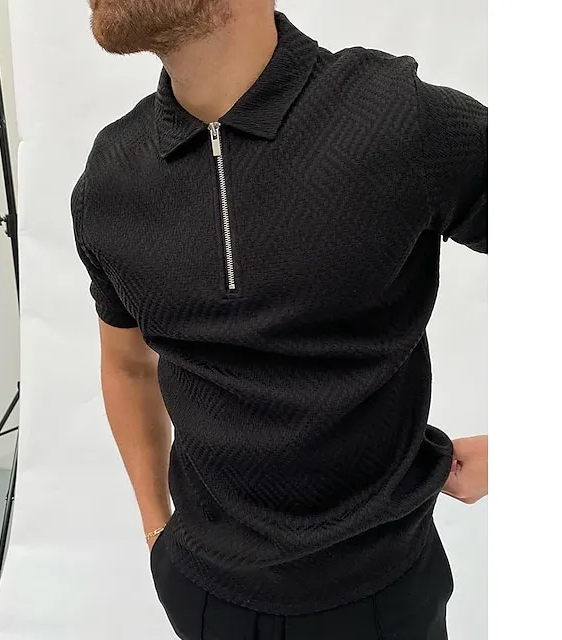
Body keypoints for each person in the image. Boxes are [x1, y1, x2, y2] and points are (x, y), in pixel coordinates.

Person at [71, 1, 488, 638]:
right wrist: (158, 532)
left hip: (384, 597)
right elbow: (128, 366)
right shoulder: (110, 177)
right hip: (203, 594)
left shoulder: (396, 120)